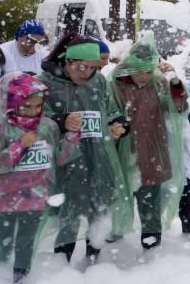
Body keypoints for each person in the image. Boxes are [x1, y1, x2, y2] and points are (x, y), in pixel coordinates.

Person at [39, 35, 129, 263]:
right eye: (80, 67)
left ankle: (93, 257)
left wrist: (117, 123)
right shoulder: (45, 83)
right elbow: (34, 117)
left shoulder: (97, 82)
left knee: (98, 206)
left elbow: (107, 107)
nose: (86, 73)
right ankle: (62, 262)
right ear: (66, 61)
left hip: (97, 154)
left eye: (93, 67)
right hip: (66, 158)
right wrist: (60, 121)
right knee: (69, 210)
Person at [0, 73, 80, 284]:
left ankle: (20, 280)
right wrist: (20, 145)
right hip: (3, 199)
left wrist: (72, 136)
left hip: (35, 197)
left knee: (26, 242)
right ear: (10, 103)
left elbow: (60, 157)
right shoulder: (2, 128)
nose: (33, 112)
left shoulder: (48, 127)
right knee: (0, 241)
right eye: (25, 107)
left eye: (37, 106)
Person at [109, 33, 187, 250]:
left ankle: (151, 237)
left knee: (150, 194)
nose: (143, 77)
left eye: (147, 71)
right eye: (138, 72)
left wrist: (174, 82)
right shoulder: (115, 84)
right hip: (123, 148)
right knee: (120, 191)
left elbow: (178, 107)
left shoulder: (159, 83)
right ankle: (115, 230)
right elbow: (108, 111)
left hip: (153, 147)